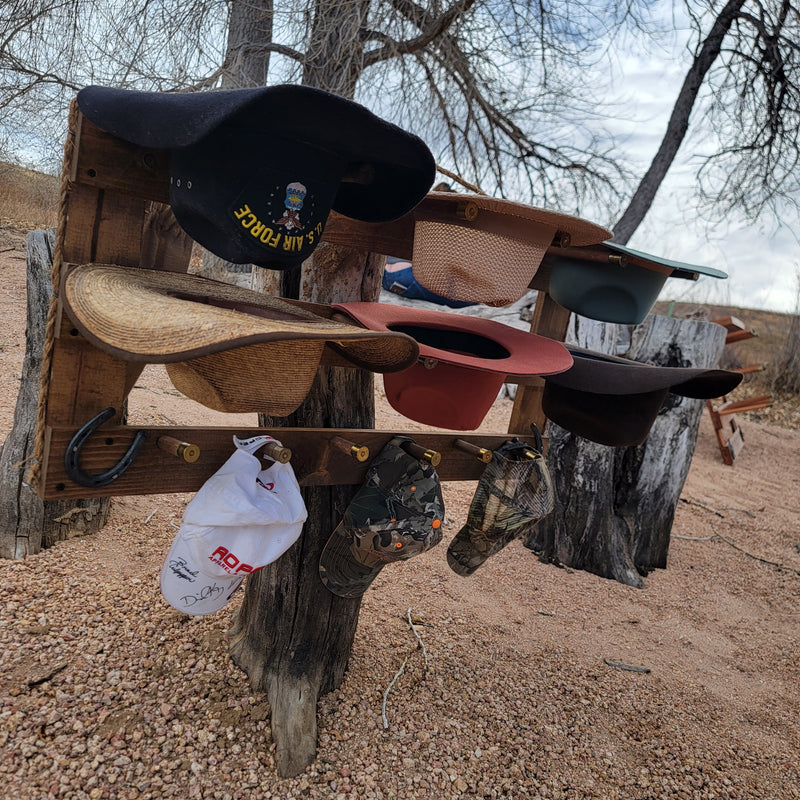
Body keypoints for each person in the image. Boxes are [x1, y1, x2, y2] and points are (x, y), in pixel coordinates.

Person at [381, 182, 477, 309]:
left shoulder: (414, 213)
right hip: (408, 277)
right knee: (471, 298)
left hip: (386, 275)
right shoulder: (439, 226)